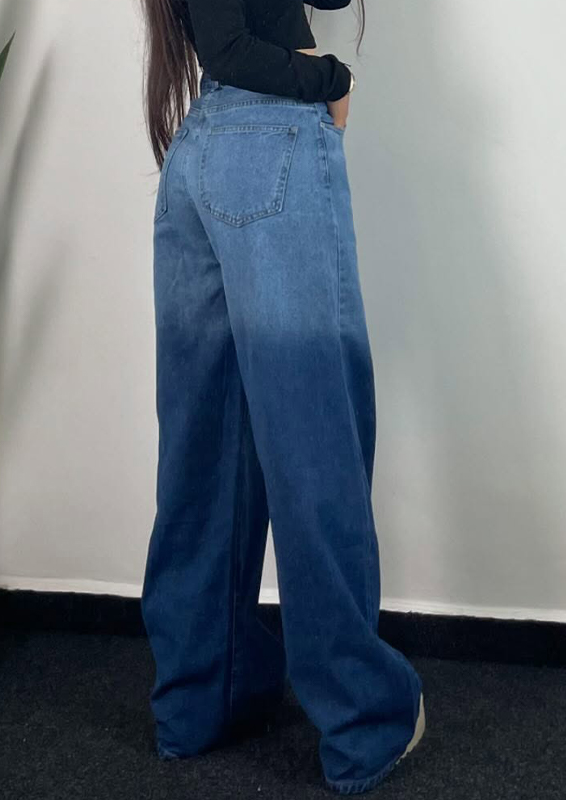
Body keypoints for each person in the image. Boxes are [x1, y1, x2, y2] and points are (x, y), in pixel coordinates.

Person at [139, 0, 426, 793]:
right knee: (315, 445)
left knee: (206, 454)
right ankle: (363, 722)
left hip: (200, 155)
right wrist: (333, 78)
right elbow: (232, 45)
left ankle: (204, 700)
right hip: (269, 144)